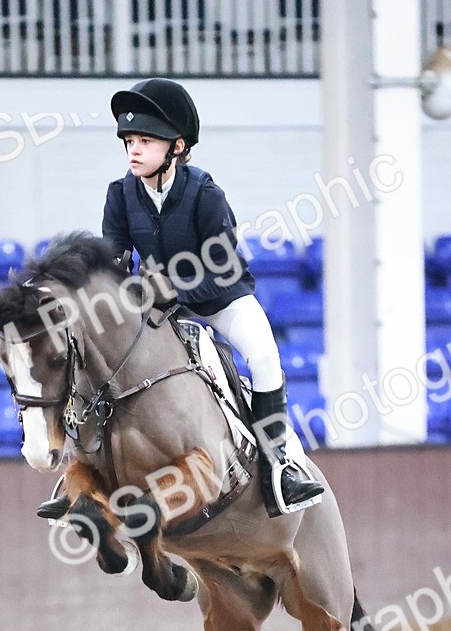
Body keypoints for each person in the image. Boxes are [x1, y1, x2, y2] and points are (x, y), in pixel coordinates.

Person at [96, 77, 324, 517]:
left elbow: (221, 266)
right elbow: (113, 259)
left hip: (220, 299)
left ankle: (281, 465)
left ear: (177, 147)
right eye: (129, 141)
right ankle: (86, 458)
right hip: (159, 306)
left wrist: (173, 289)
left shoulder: (204, 194)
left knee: (263, 355)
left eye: (145, 141)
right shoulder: (120, 195)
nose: (133, 151)